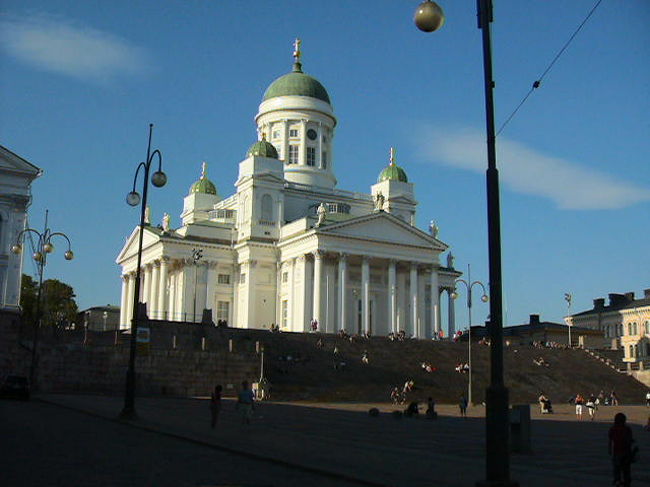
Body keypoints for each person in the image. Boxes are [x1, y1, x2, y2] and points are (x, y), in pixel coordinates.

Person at [608, 412, 635, 487]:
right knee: (626, 469)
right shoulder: (627, 429)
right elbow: (629, 441)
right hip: (626, 452)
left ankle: (617, 481)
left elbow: (610, 441)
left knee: (617, 468)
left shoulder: (612, 429)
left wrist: (609, 449)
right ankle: (626, 482)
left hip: (616, 452)